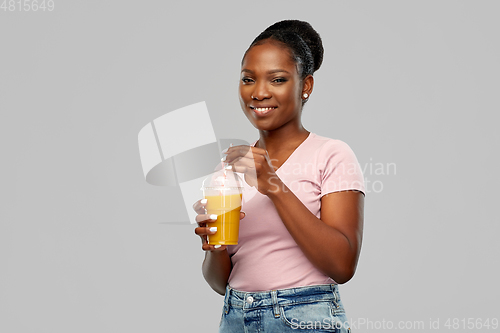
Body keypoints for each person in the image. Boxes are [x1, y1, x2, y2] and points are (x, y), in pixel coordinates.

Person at [193, 20, 365, 332]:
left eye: (277, 79)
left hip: (303, 316)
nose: (258, 92)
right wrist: (214, 246)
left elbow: (342, 265)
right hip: (235, 316)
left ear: (306, 86)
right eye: (248, 79)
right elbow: (219, 282)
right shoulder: (230, 167)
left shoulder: (332, 155)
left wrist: (272, 184)